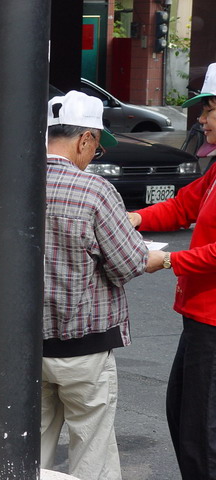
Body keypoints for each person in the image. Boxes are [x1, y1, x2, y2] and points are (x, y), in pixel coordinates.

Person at [41, 90, 153, 480]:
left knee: (27, 449)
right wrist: (155, 256)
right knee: (92, 451)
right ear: (85, 138)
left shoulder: (12, 182)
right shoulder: (94, 190)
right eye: (97, 147)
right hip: (84, 347)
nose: (93, 156)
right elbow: (131, 262)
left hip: (23, 347)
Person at [128, 62, 216, 479]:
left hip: (212, 321)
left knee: (202, 430)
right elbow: (184, 206)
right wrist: (132, 218)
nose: (201, 120)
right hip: (199, 316)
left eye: (208, 110)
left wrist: (168, 260)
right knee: (183, 413)